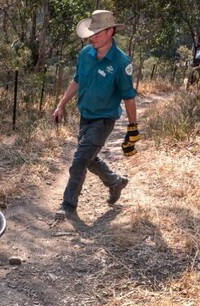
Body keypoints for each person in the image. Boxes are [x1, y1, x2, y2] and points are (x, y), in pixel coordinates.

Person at [52, 10, 139, 221]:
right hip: (85, 116)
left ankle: (68, 206)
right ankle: (116, 182)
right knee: (89, 160)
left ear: (110, 31)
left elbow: (128, 96)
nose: (92, 37)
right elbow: (76, 81)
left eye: (97, 33)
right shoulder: (85, 54)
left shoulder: (121, 62)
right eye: (91, 32)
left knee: (79, 161)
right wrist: (61, 104)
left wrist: (133, 128)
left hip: (104, 119)